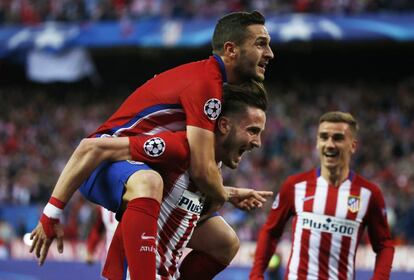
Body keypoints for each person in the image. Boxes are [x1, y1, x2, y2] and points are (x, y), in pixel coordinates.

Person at [29, 10, 274, 280]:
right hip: (102, 163)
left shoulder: (203, 116)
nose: (270, 53)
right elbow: (92, 148)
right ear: (230, 50)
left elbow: (203, 174)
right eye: (260, 43)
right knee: (150, 182)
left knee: (225, 242)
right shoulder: (205, 92)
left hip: (134, 168)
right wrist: (50, 214)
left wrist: (226, 192)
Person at [101, 80, 271, 279]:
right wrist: (55, 209)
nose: (258, 143)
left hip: (167, 270)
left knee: (226, 242)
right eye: (252, 131)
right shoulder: (177, 149)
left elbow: (181, 198)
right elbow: (97, 148)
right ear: (224, 125)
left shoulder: (211, 166)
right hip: (135, 272)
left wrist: (228, 193)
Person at [250, 111, 395, 280]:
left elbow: (384, 245)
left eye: (338, 138)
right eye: (324, 137)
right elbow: (270, 232)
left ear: (353, 146)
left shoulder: (369, 194)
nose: (330, 144)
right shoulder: (295, 186)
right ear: (317, 143)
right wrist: (256, 275)